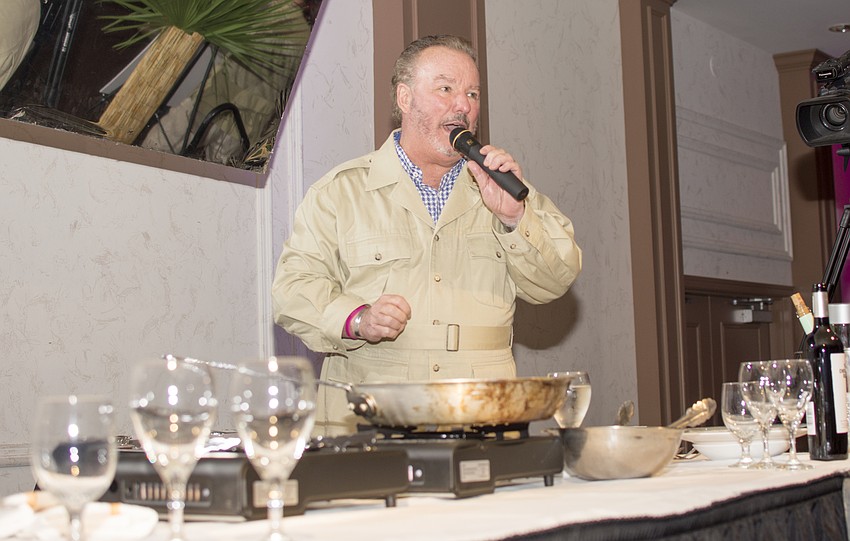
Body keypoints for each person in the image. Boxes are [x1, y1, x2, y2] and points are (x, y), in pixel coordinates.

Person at [272, 34, 582, 435]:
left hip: (482, 415)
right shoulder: (341, 191)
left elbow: (556, 279)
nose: (463, 105)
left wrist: (515, 219)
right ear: (405, 98)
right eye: (445, 89)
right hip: (369, 417)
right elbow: (291, 292)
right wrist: (358, 318)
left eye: (472, 93)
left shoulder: (504, 188)